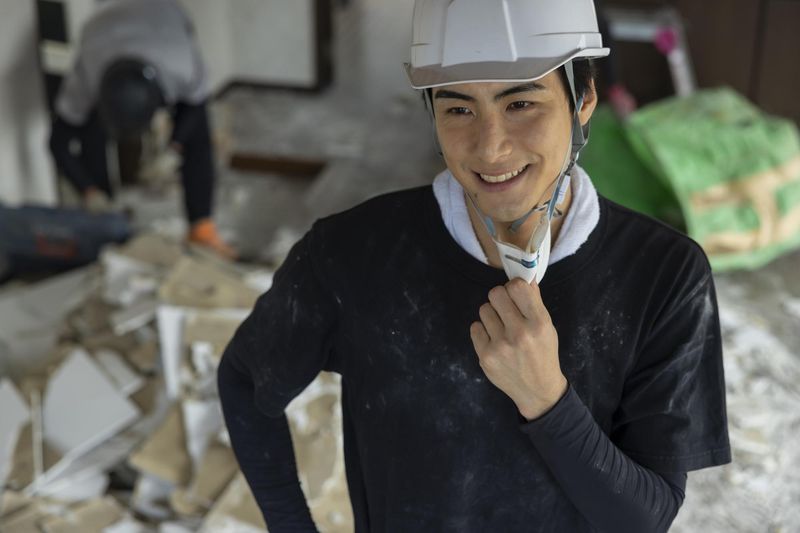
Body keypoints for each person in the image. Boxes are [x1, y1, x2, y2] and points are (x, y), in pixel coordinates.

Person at [218, 1, 731, 531]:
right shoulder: (354, 253)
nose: (490, 147)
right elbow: (244, 378)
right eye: (459, 109)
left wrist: (547, 402)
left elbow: (646, 517)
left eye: (521, 104)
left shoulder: (664, 276)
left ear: (584, 101)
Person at [48, 0, 234, 259]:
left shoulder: (180, 66)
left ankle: (202, 228)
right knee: (89, 130)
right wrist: (88, 191)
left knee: (198, 134)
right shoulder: (87, 74)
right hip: (105, 24)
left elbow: (195, 107)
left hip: (164, 14)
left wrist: (173, 147)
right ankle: (104, 217)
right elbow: (58, 141)